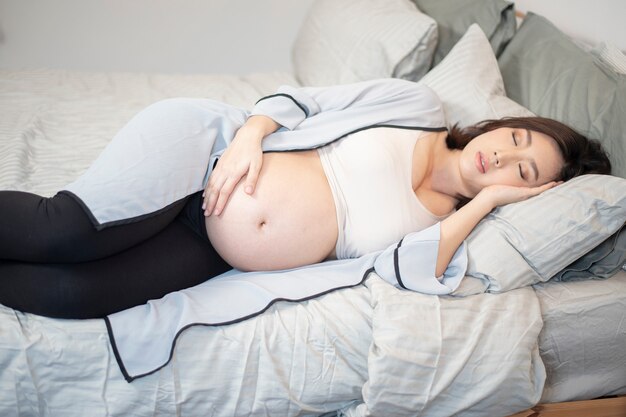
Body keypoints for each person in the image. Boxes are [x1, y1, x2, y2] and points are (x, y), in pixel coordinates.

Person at [0, 78, 611, 319]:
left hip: (213, 248)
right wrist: (250, 136)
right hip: (207, 161)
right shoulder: (420, 109)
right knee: (63, 232)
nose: (503, 155)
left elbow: (410, 271)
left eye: (523, 171)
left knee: (72, 295)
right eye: (518, 137)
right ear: (507, 124)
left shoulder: (451, 228)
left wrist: (485, 204)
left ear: (525, 194)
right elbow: (306, 101)